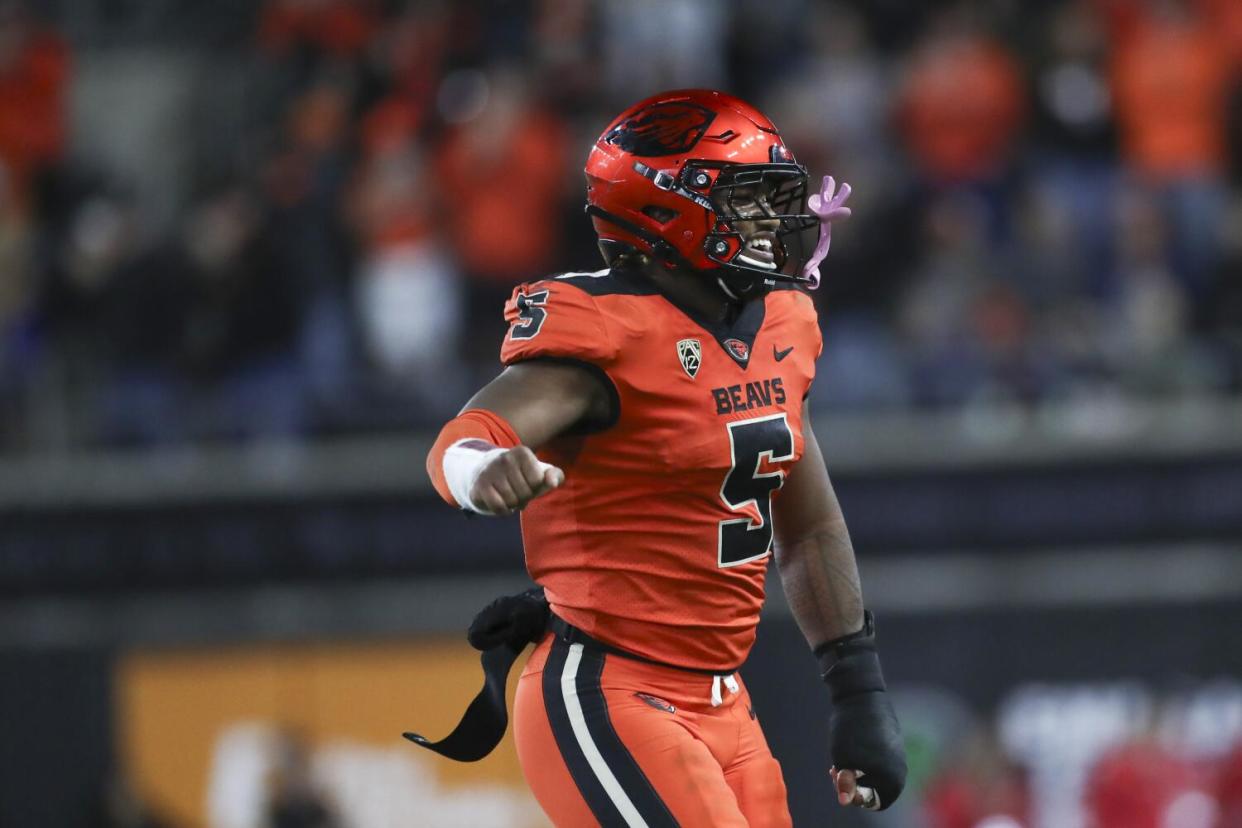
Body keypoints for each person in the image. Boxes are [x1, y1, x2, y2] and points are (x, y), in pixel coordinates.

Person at [421, 89, 906, 827]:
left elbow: (805, 527)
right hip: (610, 688)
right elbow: (467, 434)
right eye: (748, 201)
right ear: (666, 213)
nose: (777, 221)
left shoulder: (780, 323)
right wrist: (481, 469)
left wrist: (857, 688)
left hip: (726, 703)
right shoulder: (610, 331)